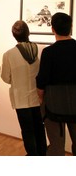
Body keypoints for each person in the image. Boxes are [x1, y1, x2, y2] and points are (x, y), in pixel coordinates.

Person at [1, 20, 47, 156]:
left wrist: (16, 81)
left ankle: (32, 155)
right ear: (28, 32)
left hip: (20, 98)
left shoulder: (9, 54)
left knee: (27, 130)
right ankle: (42, 153)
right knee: (39, 127)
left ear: (14, 35)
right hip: (38, 97)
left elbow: (5, 78)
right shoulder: (40, 49)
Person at [36, 12, 76, 155]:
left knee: (57, 147)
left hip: (54, 105)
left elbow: (41, 80)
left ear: (52, 29)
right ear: (70, 27)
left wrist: (40, 98)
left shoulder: (48, 52)